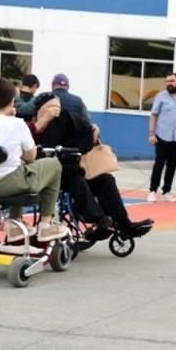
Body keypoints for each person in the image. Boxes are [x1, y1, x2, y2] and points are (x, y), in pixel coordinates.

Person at [33, 92, 153, 240]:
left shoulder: (63, 123)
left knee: (106, 180)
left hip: (69, 169)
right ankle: (100, 220)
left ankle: (125, 225)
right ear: (40, 109)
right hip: (48, 173)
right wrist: (43, 121)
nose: (56, 110)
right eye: (51, 106)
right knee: (75, 179)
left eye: (58, 106)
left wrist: (92, 135)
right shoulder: (33, 126)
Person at [0, 79, 69, 243]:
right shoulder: (17, 125)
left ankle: (16, 222)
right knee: (52, 165)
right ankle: (45, 224)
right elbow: (30, 157)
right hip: (6, 184)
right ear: (11, 101)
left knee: (20, 166)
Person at [148, 72, 176, 203]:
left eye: (172, 81)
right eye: (167, 81)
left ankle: (166, 191)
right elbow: (154, 115)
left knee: (172, 166)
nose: (169, 84)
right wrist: (151, 133)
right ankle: (152, 190)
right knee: (159, 164)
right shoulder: (161, 97)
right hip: (162, 136)